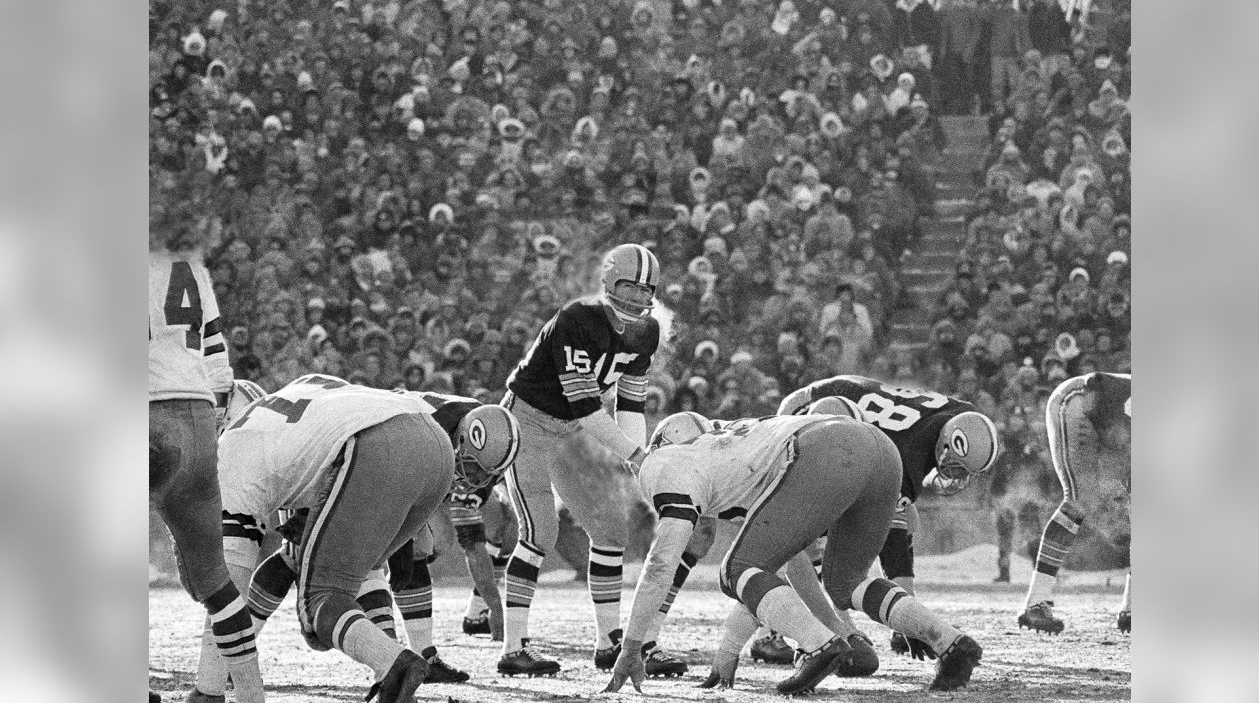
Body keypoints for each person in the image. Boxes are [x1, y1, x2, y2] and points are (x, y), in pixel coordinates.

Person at [604, 409, 983, 695]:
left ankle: (819, 645)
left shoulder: (664, 462)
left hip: (826, 448)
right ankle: (949, 641)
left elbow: (660, 564)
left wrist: (632, 645)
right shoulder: (735, 451)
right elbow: (785, 564)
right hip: (882, 450)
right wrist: (729, 648)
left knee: (733, 570)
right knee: (845, 582)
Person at [190, 374, 519, 703]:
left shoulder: (231, 451)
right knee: (360, 565)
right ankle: (393, 666)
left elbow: (228, 588)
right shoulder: (308, 386)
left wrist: (209, 689)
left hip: (367, 447)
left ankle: (391, 663)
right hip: (424, 446)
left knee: (317, 601)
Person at [496, 243, 662, 676]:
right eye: (631, 286)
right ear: (609, 282)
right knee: (539, 532)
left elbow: (630, 403)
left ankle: (608, 642)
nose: (641, 298)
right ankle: (514, 647)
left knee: (610, 529)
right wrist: (635, 454)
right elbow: (588, 406)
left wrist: (633, 455)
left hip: (572, 428)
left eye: (648, 290)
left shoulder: (648, 331)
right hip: (528, 420)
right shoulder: (577, 319)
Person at [777, 374, 1000, 658]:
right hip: (811, 415)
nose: (958, 478)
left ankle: (824, 625)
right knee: (804, 537)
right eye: (956, 469)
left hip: (848, 413)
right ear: (944, 445)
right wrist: (912, 617)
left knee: (900, 517)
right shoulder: (909, 454)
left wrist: (909, 617)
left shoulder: (963, 415)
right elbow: (894, 545)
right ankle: (792, 631)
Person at [150, 224, 266, 703]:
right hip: (197, 410)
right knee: (216, 579)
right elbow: (218, 358)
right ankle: (251, 697)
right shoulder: (189, 260)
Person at [1018, 372, 1131, 634]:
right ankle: (1035, 602)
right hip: (1082, 398)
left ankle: (1131, 608)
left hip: (1105, 411)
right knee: (1078, 500)